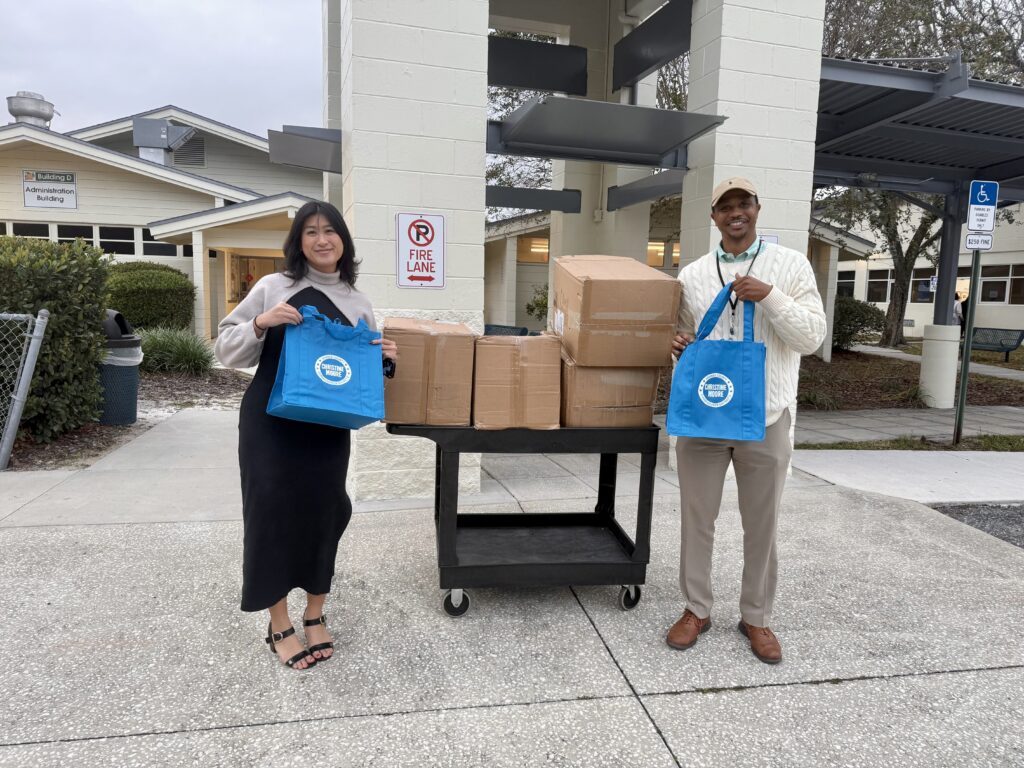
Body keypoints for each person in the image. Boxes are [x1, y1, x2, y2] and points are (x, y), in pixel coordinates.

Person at [214, 200, 397, 670]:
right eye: (310, 231)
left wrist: (383, 358)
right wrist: (261, 322)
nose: (321, 240)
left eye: (329, 230)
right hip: (270, 425)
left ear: (343, 240)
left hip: (327, 429)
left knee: (325, 514)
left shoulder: (358, 301)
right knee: (270, 516)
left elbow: (359, 375)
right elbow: (226, 350)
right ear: (298, 241)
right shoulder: (274, 287)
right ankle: (279, 623)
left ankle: (315, 614)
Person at [666, 178, 826, 664]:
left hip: (767, 416)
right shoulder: (694, 274)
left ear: (757, 209)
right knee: (697, 518)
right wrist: (676, 345)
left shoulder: (791, 266)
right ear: (714, 216)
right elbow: (683, 338)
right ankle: (697, 608)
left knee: (762, 523)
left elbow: (811, 338)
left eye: (744, 204)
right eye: (726, 206)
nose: (736, 212)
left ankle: (756, 616)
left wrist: (771, 297)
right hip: (706, 417)